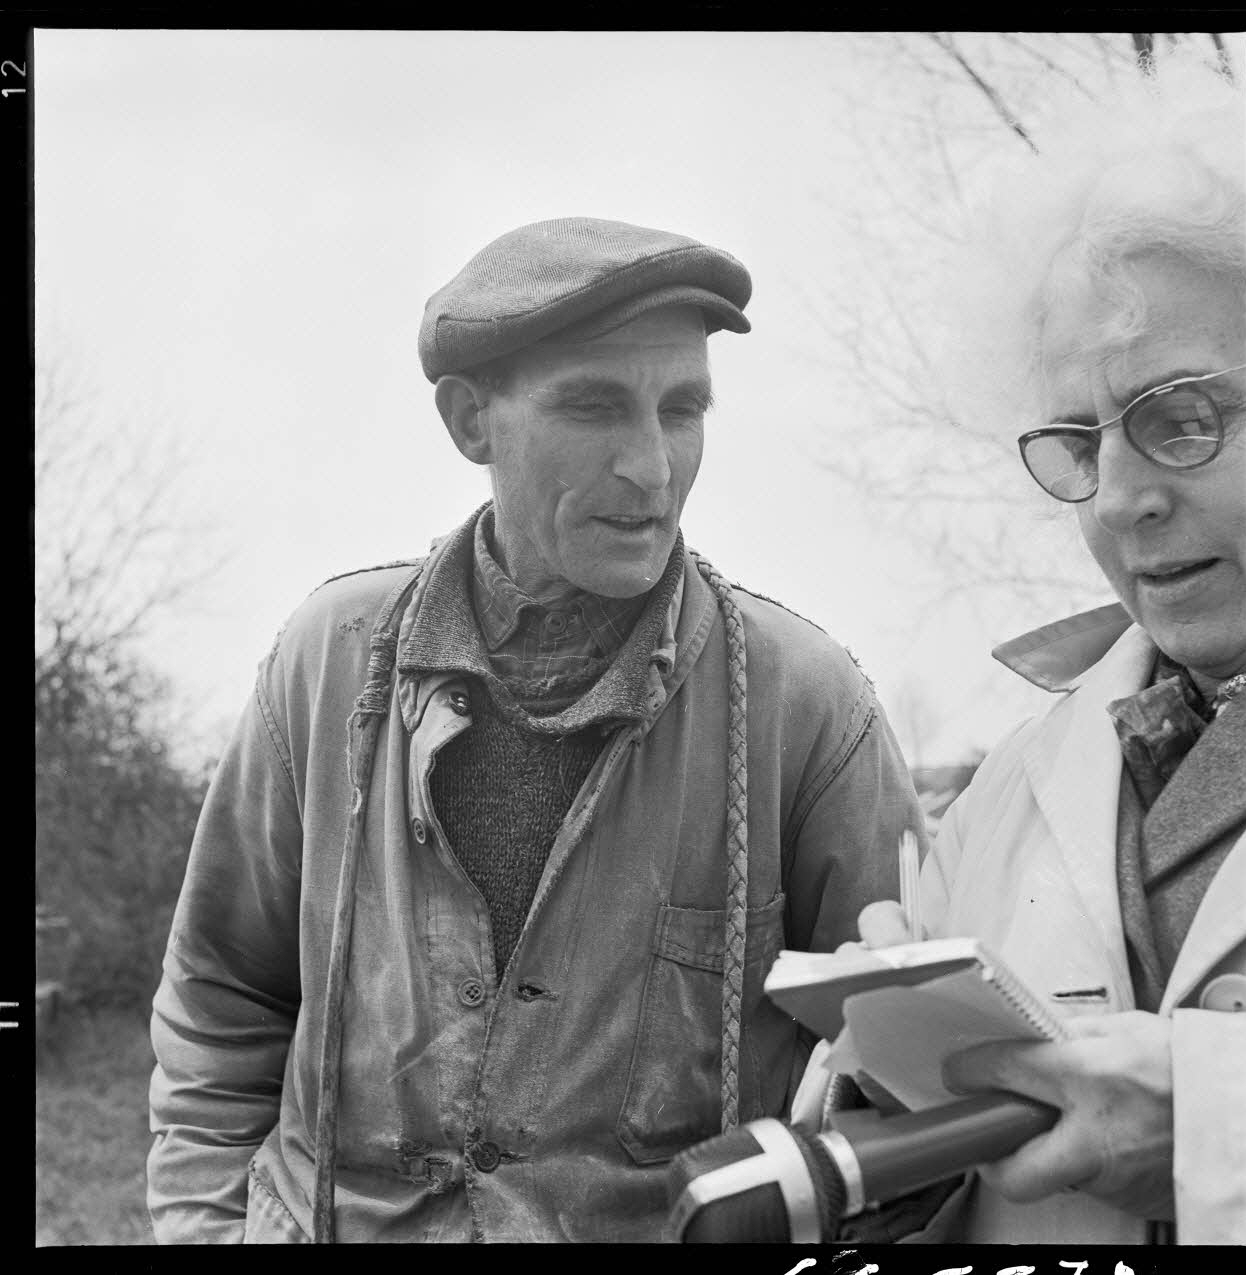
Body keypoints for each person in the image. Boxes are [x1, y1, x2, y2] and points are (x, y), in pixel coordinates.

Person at [146, 217, 922, 1243]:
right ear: (471, 422)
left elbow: (913, 1094)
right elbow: (221, 1004)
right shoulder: (326, 663)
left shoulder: (805, 705)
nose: (650, 467)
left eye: (681, 407)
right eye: (593, 407)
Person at [846, 66, 1246, 1245]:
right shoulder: (1002, 798)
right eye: (1078, 439)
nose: (1117, 500)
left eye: (1180, 416)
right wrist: (894, 1112)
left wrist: (1214, 1120)